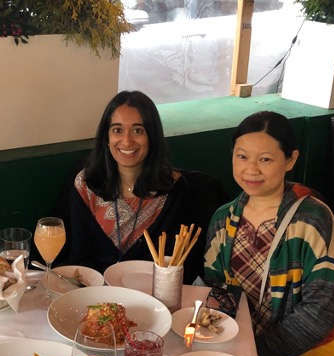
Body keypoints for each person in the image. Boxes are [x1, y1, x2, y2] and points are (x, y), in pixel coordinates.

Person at [204, 111, 334, 356]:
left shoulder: (313, 219)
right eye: (242, 156)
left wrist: (253, 353)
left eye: (265, 159)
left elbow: (319, 313)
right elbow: (218, 292)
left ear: (290, 160)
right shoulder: (223, 220)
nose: (251, 169)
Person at [67, 90, 227, 283]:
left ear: (152, 137)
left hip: (153, 295)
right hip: (97, 293)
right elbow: (80, 260)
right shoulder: (86, 186)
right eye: (117, 130)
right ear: (106, 138)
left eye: (138, 131)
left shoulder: (173, 190)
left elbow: (176, 263)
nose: (127, 141)